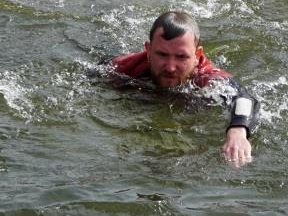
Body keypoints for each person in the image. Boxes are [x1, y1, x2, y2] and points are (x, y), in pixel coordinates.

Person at [108, 11, 261, 167]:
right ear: (148, 50)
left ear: (197, 55)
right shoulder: (124, 68)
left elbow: (244, 98)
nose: (170, 67)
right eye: (162, 54)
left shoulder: (207, 77)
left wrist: (238, 132)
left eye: (181, 57)